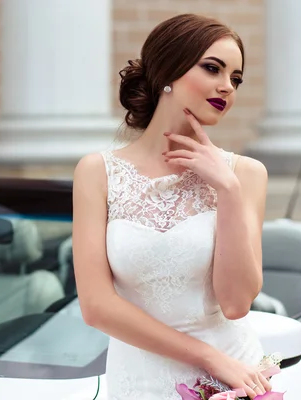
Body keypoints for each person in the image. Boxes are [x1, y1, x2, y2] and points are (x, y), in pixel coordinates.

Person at [72, 13, 271, 400]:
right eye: (212, 68)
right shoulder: (97, 172)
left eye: (236, 78)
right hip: (141, 380)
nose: (226, 86)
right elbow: (96, 307)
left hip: (233, 377)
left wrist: (227, 190)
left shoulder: (245, 174)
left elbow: (235, 303)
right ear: (168, 71)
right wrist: (208, 357)